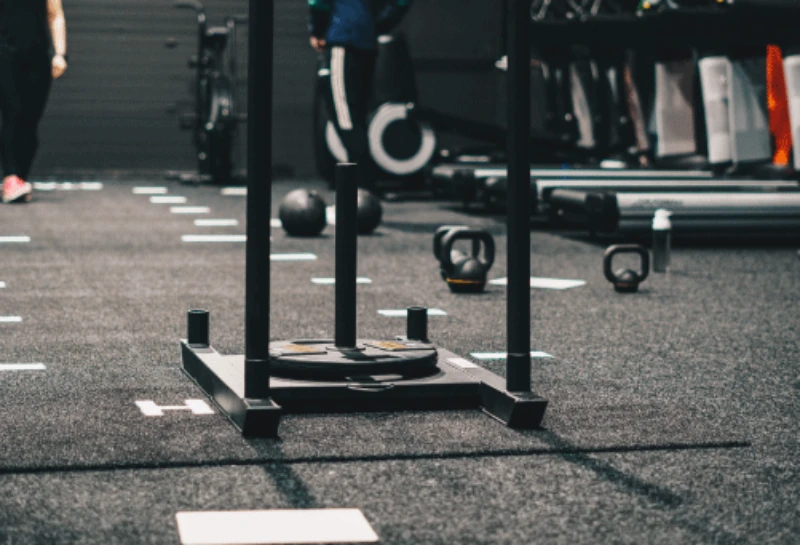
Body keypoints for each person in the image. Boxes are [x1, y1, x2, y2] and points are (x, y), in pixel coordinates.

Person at [308, 0, 413, 191]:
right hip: (366, 44)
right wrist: (376, 25)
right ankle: (361, 185)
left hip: (344, 41)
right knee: (356, 118)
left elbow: (318, 3)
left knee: (345, 118)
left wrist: (317, 31)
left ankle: (363, 187)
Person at [0, 0, 67, 204]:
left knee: (30, 121)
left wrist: (60, 54)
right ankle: (11, 177)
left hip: (37, 58)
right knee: (12, 113)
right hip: (4, 53)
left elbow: (55, 15)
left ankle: (19, 178)